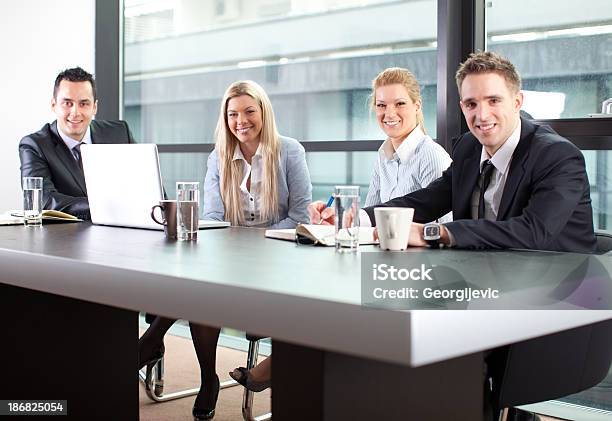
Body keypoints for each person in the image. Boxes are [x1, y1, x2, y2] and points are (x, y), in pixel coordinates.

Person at [138, 80, 312, 420]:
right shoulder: (218, 157)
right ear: (225, 118)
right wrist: (230, 245)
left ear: (264, 112)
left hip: (275, 261)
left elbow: (299, 216)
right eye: (233, 114)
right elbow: (214, 217)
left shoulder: (289, 151)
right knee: (200, 279)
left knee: (201, 283)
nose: (241, 120)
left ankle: (151, 342)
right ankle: (206, 378)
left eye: (249, 111)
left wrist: (253, 241)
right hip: (229, 259)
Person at [312, 51, 596, 253]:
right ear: (462, 107)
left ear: (517, 101)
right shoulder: (469, 147)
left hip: (562, 296)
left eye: (493, 100)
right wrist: (358, 216)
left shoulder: (557, 156)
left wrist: (435, 233)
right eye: (471, 104)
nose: (482, 115)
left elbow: (534, 231)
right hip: (489, 281)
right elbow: (427, 200)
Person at [308, 67, 451, 223]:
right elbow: (369, 219)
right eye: (381, 105)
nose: (389, 114)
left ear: (417, 106)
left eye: (400, 104)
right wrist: (338, 219)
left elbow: (443, 229)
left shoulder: (430, 154)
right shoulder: (383, 156)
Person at [19, 67, 133, 220]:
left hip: (123, 230)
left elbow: (147, 183)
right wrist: (102, 206)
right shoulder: (34, 145)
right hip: (64, 239)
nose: (75, 112)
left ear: (94, 107)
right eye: (67, 103)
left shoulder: (119, 133)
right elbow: (42, 200)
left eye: (84, 103)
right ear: (54, 105)